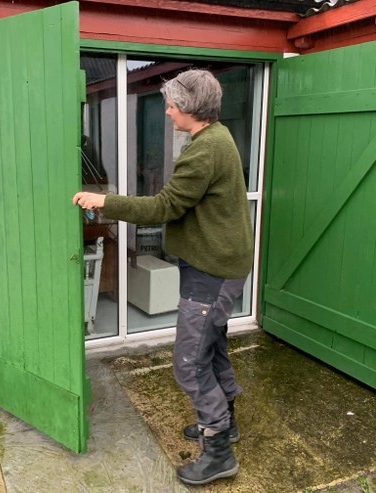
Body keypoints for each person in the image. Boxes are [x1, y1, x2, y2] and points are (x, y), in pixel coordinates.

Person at [72, 68, 254, 486]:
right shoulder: (215, 137)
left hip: (213, 271)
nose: (168, 111)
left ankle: (219, 453)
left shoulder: (205, 150)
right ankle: (225, 422)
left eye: (171, 105)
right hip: (215, 264)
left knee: (189, 362)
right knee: (212, 347)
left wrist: (104, 201)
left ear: (190, 107)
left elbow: (163, 207)